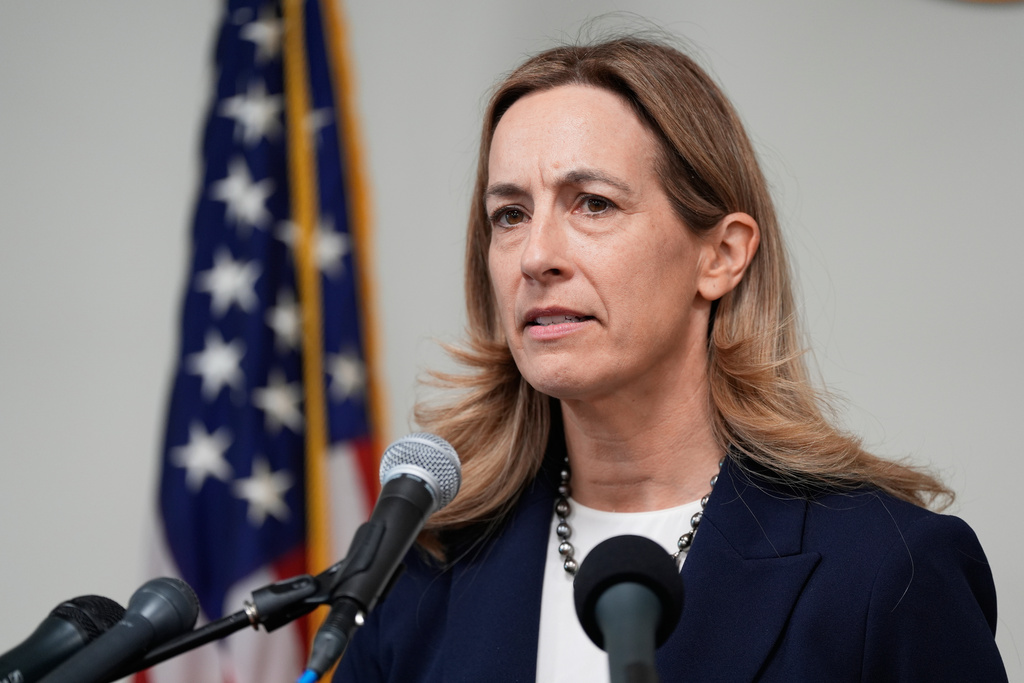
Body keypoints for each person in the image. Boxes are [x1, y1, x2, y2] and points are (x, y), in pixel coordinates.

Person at [335, 35, 1007, 682]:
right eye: (509, 214)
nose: (536, 256)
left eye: (593, 203)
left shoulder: (886, 570)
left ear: (721, 255)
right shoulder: (419, 573)